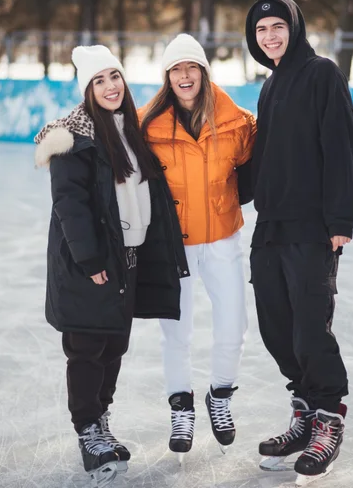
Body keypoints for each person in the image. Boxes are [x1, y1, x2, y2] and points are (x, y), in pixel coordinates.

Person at [34, 45, 188, 487]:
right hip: (93, 262)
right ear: (87, 89)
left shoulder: (130, 130)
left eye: (114, 77)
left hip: (129, 257)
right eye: (99, 81)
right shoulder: (72, 138)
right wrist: (90, 259)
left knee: (113, 346)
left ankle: (101, 421)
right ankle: (87, 428)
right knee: (86, 347)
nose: (110, 87)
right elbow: (70, 204)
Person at [244, 0, 353, 484]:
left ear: (295, 28)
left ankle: (328, 417)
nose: (270, 36)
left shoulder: (321, 74)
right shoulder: (270, 86)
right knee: (277, 326)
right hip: (270, 225)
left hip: (312, 227)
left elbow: (342, 147)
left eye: (277, 26)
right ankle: (304, 412)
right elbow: (263, 158)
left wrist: (340, 220)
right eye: (261, 30)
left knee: (311, 327)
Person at [139, 33, 256, 458]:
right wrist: (61, 132)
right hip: (174, 245)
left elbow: (264, 160)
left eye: (191, 67)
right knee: (177, 332)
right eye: (175, 69)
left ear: (204, 72)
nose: (184, 75)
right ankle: (181, 405)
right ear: (167, 77)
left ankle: (219, 395)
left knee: (233, 326)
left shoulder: (237, 122)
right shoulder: (146, 126)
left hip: (224, 237)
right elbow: (105, 137)